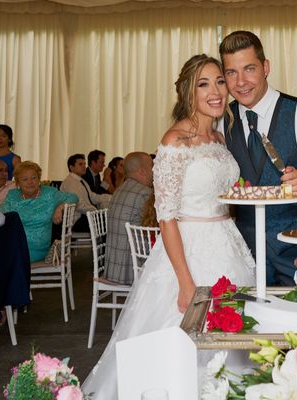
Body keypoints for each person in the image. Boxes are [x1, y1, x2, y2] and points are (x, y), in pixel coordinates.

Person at [82, 54, 255, 399]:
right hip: (189, 250)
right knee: (182, 346)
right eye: (204, 84)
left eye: (220, 81)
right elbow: (166, 216)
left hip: (227, 244)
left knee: (234, 341)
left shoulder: (221, 140)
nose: (216, 91)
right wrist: (186, 282)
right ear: (188, 93)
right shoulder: (174, 141)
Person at [220, 30, 297, 285]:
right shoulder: (222, 121)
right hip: (245, 252)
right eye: (231, 72)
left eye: (249, 69)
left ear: (265, 67)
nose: (241, 82)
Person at [0, 161, 78, 262]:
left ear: (39, 179)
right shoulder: (12, 195)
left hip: (36, 248)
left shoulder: (50, 193)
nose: (30, 182)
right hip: (13, 243)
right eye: (25, 179)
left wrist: (60, 208)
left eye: (34, 178)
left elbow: (73, 197)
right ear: (18, 183)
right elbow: (0, 215)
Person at [104, 152, 153, 285]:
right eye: (152, 166)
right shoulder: (145, 193)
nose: (155, 170)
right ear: (142, 171)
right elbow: (154, 229)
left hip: (113, 265)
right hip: (130, 268)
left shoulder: (119, 190)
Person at [60, 154, 110, 233]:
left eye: (84, 164)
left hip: (84, 216)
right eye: (80, 164)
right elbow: (79, 205)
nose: (84, 166)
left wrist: (110, 197)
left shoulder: (80, 180)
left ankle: (103, 243)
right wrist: (96, 211)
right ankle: (103, 244)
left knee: (107, 219)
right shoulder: (70, 182)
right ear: (71, 167)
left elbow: (93, 197)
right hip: (76, 221)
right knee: (108, 221)